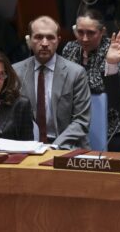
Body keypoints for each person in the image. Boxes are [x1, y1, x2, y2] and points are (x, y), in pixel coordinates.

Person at [62, 9, 120, 152]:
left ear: (102, 31)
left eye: (90, 33)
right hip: (80, 122)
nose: (84, 38)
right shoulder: (70, 48)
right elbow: (63, 83)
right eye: (80, 32)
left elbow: (100, 87)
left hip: (117, 127)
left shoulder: (113, 49)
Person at [13, 16, 91, 149]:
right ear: (29, 40)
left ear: (58, 41)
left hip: (65, 146)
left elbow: (81, 121)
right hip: (27, 147)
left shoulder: (76, 73)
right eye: (38, 37)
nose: (44, 43)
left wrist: (55, 147)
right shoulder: (15, 72)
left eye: (50, 37)